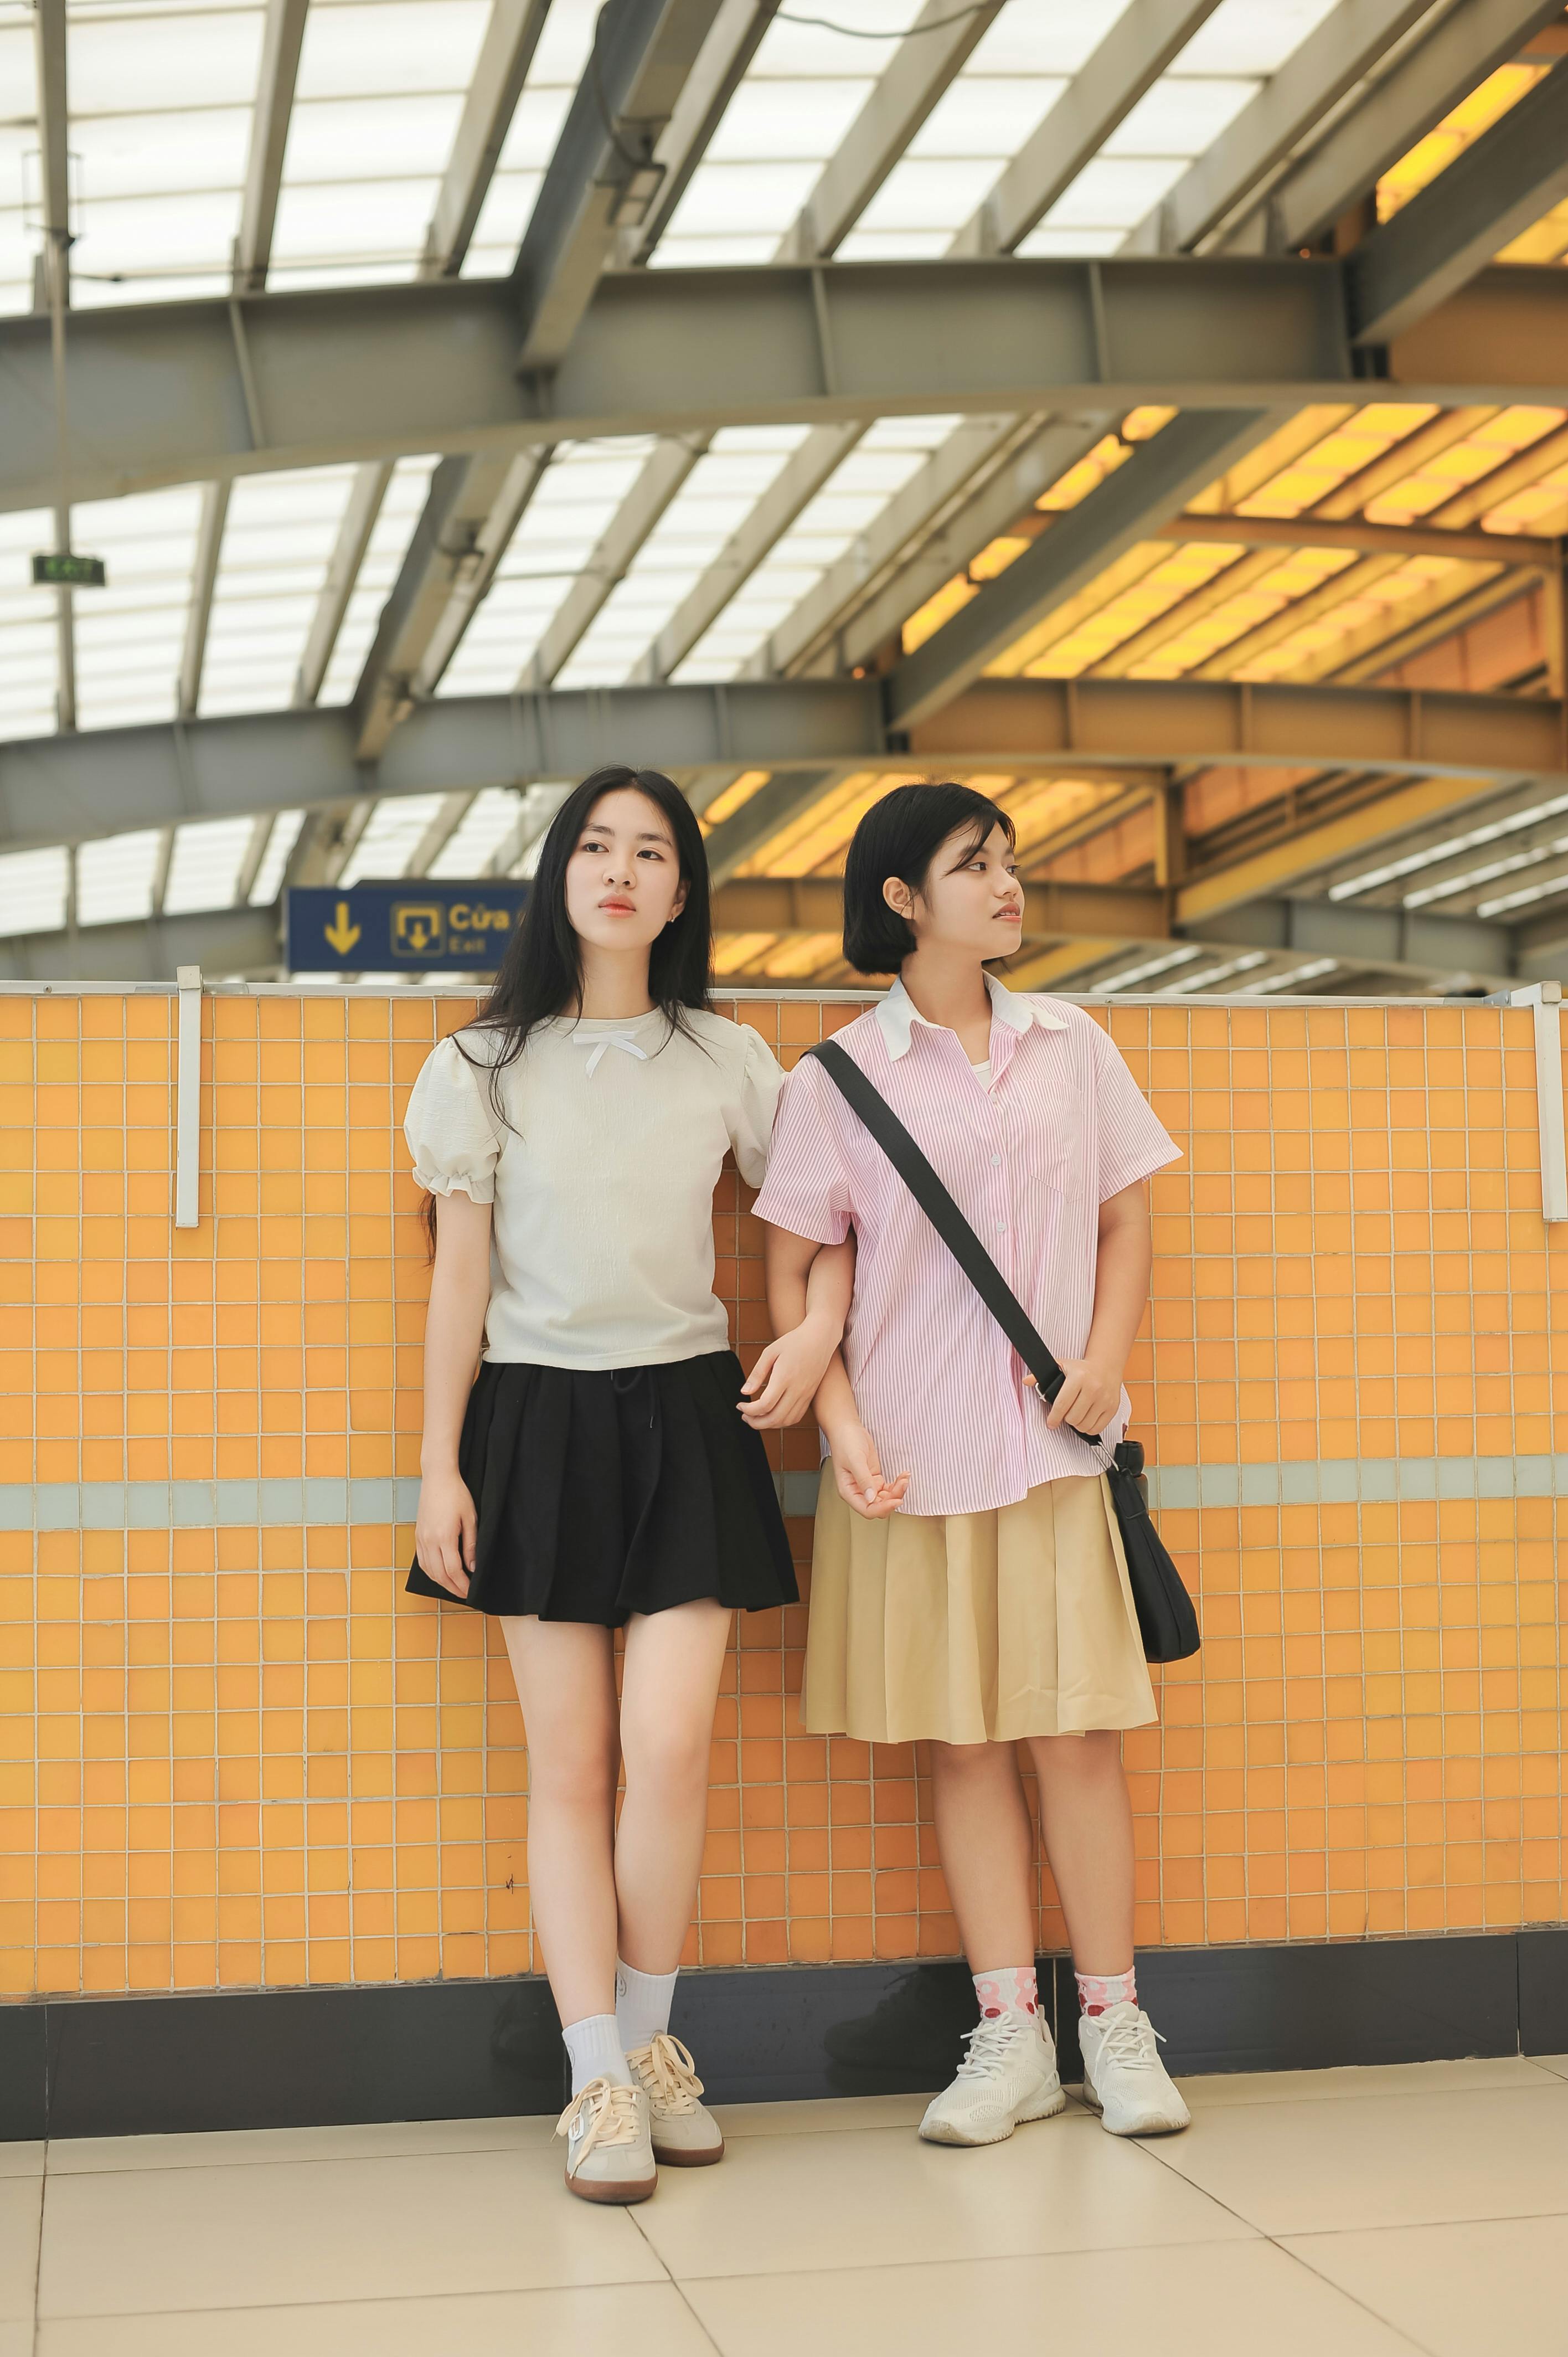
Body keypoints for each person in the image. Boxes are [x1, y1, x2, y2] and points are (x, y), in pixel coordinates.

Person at [405, 765, 850, 2205]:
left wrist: (818, 1329)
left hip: (685, 1415)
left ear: (681, 890)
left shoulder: (728, 1057)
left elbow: (824, 1214)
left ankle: (650, 2056)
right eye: (596, 846)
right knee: (573, 1766)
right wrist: (437, 1471)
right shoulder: (480, 1067)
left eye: (651, 851)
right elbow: (457, 1279)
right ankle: (594, 2078)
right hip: (531, 1422)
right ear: (561, 876)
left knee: (668, 1750)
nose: (620, 870)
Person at [754, 780, 1192, 2145]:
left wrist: (1107, 1358)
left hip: (1060, 1450)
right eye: (973, 864)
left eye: (1008, 860)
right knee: (964, 1747)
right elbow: (794, 1276)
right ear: (901, 900)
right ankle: (1009, 2035)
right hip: (916, 1463)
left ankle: (1115, 2023)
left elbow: (1128, 1219)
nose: (1008, 883)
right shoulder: (835, 1079)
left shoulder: (1074, 1045)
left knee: (1074, 1739)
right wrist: (843, 1430)